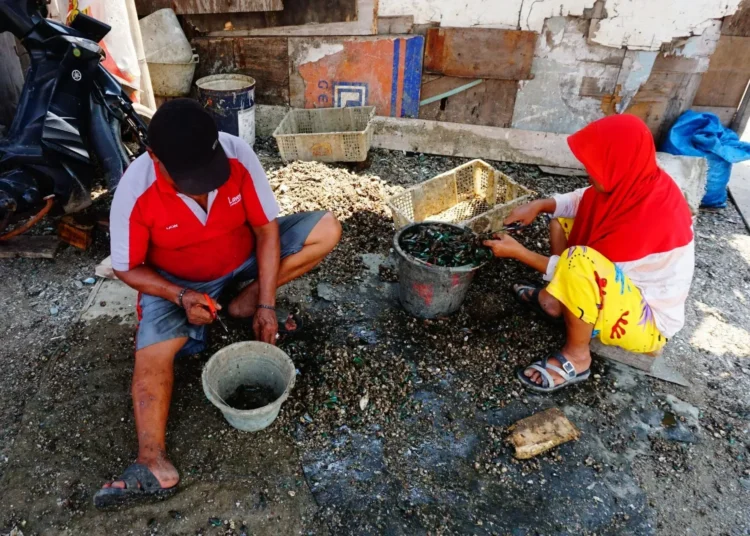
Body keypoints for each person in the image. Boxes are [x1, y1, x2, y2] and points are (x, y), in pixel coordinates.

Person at [93, 99, 341, 508]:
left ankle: (240, 306)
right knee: (153, 357)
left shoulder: (237, 153)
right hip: (176, 283)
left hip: (242, 260)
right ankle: (151, 462)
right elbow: (127, 268)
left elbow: (265, 231)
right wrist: (182, 296)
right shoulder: (134, 191)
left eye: (210, 173)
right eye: (192, 178)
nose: (206, 186)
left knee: (327, 229)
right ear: (154, 157)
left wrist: (264, 303)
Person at [483, 114, 695, 393]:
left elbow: (582, 271)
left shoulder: (648, 221)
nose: (588, 171)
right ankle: (556, 301)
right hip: (615, 282)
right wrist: (538, 205)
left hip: (645, 320)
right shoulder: (634, 180)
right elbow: (582, 199)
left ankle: (578, 356)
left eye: (595, 165)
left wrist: (520, 253)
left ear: (616, 163)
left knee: (577, 263)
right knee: (560, 220)